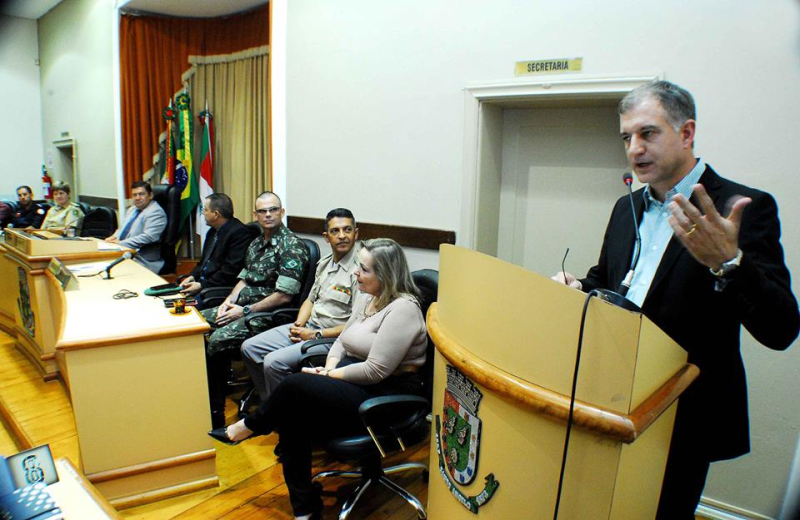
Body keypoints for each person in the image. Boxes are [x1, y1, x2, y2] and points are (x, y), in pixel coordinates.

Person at [553, 80, 799, 519]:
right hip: (612, 397)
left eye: (648, 133)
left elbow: (782, 329)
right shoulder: (623, 208)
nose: (634, 149)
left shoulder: (740, 208)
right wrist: (580, 290)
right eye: (627, 138)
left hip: (683, 411)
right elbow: (609, 281)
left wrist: (729, 263)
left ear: (687, 133)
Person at [212, 238, 427, 520]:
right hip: (354, 378)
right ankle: (305, 509)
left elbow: (376, 370)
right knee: (293, 414)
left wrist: (329, 375)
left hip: (385, 394)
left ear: (385, 275)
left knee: (294, 385)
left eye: (363, 269)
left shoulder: (404, 309)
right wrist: (330, 365)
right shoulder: (367, 296)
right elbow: (343, 341)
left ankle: (250, 426)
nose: (355, 274)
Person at [200, 191, 309, 427]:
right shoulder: (256, 243)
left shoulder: (292, 246)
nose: (268, 214)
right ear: (255, 214)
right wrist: (228, 302)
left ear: (282, 212)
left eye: (273, 209)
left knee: (217, 339)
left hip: (266, 315)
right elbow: (244, 279)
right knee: (195, 322)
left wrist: (244, 311)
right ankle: (201, 395)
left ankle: (215, 411)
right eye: (262, 211)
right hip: (242, 307)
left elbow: (284, 296)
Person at [240, 208, 361, 406]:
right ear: (326, 237)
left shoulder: (361, 271)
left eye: (347, 230)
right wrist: (298, 325)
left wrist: (314, 335)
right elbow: (310, 300)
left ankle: (288, 418)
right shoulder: (324, 264)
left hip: (333, 339)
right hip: (309, 327)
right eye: (335, 231)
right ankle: (271, 407)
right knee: (249, 348)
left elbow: (356, 325)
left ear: (356, 233)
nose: (342, 236)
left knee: (274, 362)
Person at [179, 193, 256, 309]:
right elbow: (204, 263)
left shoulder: (239, 233)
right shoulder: (212, 232)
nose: (203, 213)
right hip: (204, 285)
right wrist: (192, 276)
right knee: (170, 302)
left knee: (184, 310)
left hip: (217, 289)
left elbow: (230, 271)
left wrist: (201, 285)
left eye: (205, 210)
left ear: (215, 214)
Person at [105, 181, 167, 273]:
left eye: (141, 194)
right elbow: (122, 229)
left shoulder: (156, 212)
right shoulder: (132, 209)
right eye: (134, 195)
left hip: (143, 259)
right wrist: (114, 237)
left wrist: (120, 243)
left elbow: (149, 237)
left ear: (150, 195)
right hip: (124, 252)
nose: (137, 198)